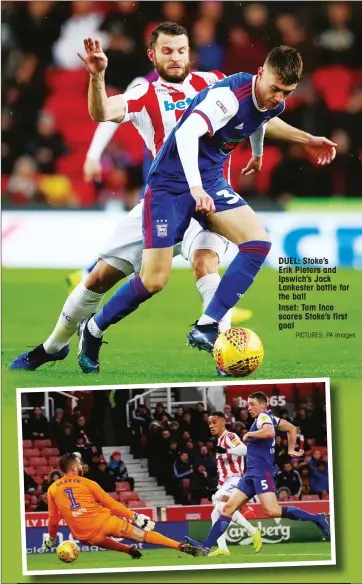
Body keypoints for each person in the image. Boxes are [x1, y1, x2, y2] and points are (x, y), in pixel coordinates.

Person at [10, 25, 336, 373]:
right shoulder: (144, 92)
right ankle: (55, 344)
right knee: (103, 278)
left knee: (207, 260)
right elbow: (102, 112)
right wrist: (98, 77)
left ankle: (222, 353)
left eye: (182, 50)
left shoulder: (215, 81)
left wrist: (302, 139)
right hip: (164, 192)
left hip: (209, 191)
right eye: (167, 51)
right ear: (153, 55)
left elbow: (259, 114)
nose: (176, 57)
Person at [184, 392, 330, 555]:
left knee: (272, 511)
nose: (249, 408)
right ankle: (206, 546)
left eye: (252, 404)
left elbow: (269, 432)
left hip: (262, 473)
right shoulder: (272, 419)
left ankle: (317, 518)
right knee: (227, 509)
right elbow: (291, 428)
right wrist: (290, 448)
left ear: (263, 405)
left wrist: (249, 434)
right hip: (250, 474)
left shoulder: (263, 418)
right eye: (248, 405)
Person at [41, 452, 200, 558]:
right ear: (74, 468)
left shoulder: (52, 489)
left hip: (85, 535)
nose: (82, 466)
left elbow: (53, 520)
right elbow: (111, 503)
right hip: (105, 522)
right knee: (141, 535)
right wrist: (135, 516)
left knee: (91, 539)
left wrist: (52, 538)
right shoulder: (88, 483)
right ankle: (179, 546)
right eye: (80, 464)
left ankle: (129, 550)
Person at [206, 411, 261, 556]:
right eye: (209, 423)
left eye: (214, 422)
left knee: (221, 506)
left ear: (223, 422)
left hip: (235, 478)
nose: (211, 425)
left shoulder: (229, 436)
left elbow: (244, 449)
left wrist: (226, 450)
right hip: (226, 482)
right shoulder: (219, 441)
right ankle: (223, 548)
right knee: (215, 514)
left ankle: (252, 531)